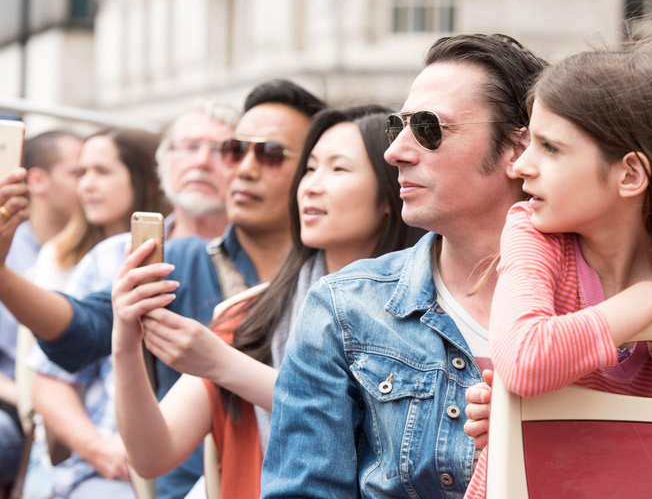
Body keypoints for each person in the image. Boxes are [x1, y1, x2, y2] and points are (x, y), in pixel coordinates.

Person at [463, 46, 652, 498]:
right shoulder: (532, 235)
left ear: (629, 175)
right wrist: (647, 298)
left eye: (549, 147)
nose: (521, 165)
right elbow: (526, 363)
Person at [0, 79, 325, 499]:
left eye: (270, 152)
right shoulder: (179, 260)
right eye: (236, 150)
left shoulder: (341, 281)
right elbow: (84, 328)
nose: (242, 167)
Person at [260, 34, 547, 497]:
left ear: (519, 149)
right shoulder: (344, 307)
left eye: (430, 128)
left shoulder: (607, 302)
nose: (396, 151)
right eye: (398, 126)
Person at [112, 105, 419, 497]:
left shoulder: (424, 318)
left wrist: (224, 364)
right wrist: (124, 342)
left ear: (390, 195)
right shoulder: (248, 317)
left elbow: (381, 427)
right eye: (309, 169)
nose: (311, 185)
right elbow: (152, 455)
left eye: (338, 169)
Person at [22, 128, 168, 499]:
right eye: (80, 173)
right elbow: (45, 377)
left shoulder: (179, 254)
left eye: (102, 172)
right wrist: (96, 448)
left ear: (143, 177)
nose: (86, 185)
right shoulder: (60, 257)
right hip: (79, 451)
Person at [0, 130, 82, 487]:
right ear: (37, 180)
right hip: (14, 403)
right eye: (78, 172)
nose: (89, 183)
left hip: (65, 414)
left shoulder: (96, 254)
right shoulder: (10, 245)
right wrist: (27, 397)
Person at [156, 101, 239, 240]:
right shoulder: (116, 254)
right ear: (166, 157)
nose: (202, 161)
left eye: (221, 150)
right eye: (190, 147)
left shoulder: (268, 255)